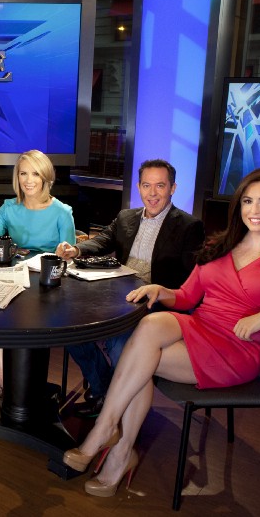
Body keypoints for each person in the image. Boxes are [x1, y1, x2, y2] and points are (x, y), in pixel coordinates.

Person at [62, 168, 260, 498]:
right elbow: (187, 297)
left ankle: (114, 444)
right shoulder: (221, 245)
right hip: (201, 324)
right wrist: (160, 290)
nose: (254, 210)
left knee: (139, 360)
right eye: (247, 201)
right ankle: (111, 434)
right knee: (149, 326)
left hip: (236, 347)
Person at [55, 159, 205, 416]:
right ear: (139, 187)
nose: (152, 193)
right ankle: (105, 392)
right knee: (70, 330)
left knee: (119, 340)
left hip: (157, 303)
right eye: (146, 185)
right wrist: (76, 249)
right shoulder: (126, 217)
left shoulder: (189, 226)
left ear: (172, 188)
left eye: (160, 186)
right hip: (119, 295)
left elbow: (191, 282)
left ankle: (118, 409)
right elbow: (103, 240)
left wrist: (160, 291)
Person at [0, 149, 76, 397]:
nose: (28, 180)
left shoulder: (62, 212)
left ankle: (11, 379)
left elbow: (69, 255)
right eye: (23, 173)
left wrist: (65, 251)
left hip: (46, 285)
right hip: (16, 279)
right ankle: (5, 374)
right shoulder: (9, 208)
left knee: (18, 310)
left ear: (46, 178)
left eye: (35, 174)